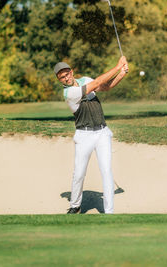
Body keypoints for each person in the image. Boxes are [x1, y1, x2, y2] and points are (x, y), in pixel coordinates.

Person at [54, 56, 128, 214]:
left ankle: (109, 211)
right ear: (59, 80)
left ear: (71, 72)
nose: (66, 77)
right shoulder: (69, 93)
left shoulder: (84, 79)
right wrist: (116, 67)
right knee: (79, 172)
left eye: (67, 73)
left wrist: (121, 74)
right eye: (62, 77)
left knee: (106, 171)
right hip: (84, 135)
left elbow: (105, 87)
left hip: (102, 132)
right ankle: (75, 205)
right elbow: (95, 84)